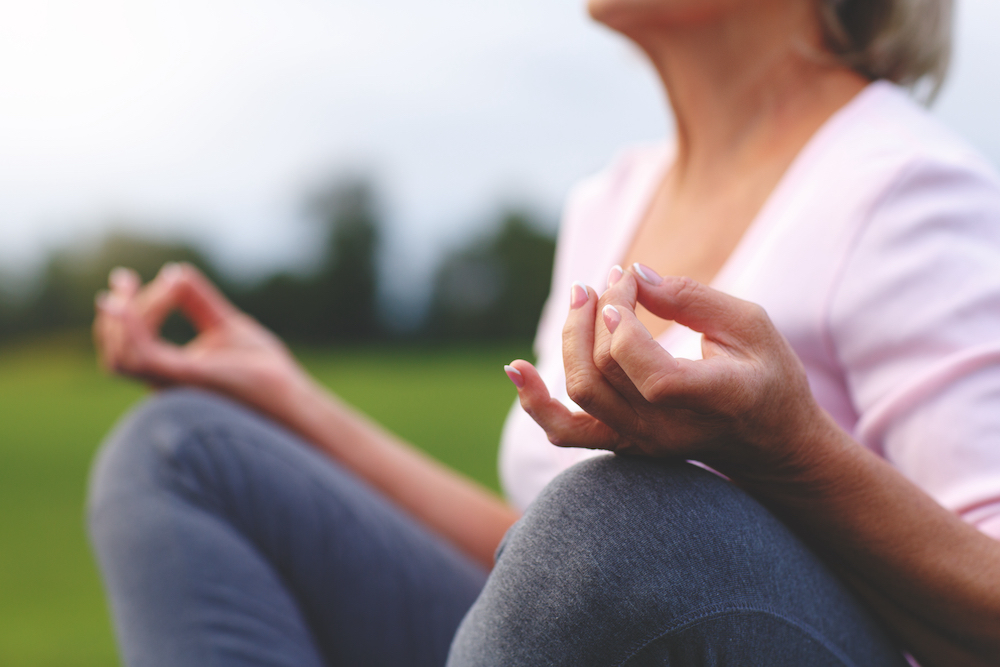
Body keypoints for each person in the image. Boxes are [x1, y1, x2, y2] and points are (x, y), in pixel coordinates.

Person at [87, 0, 1000, 665]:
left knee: (626, 524)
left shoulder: (904, 189)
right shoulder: (612, 201)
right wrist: (285, 394)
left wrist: (785, 451)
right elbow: (549, 569)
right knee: (182, 451)